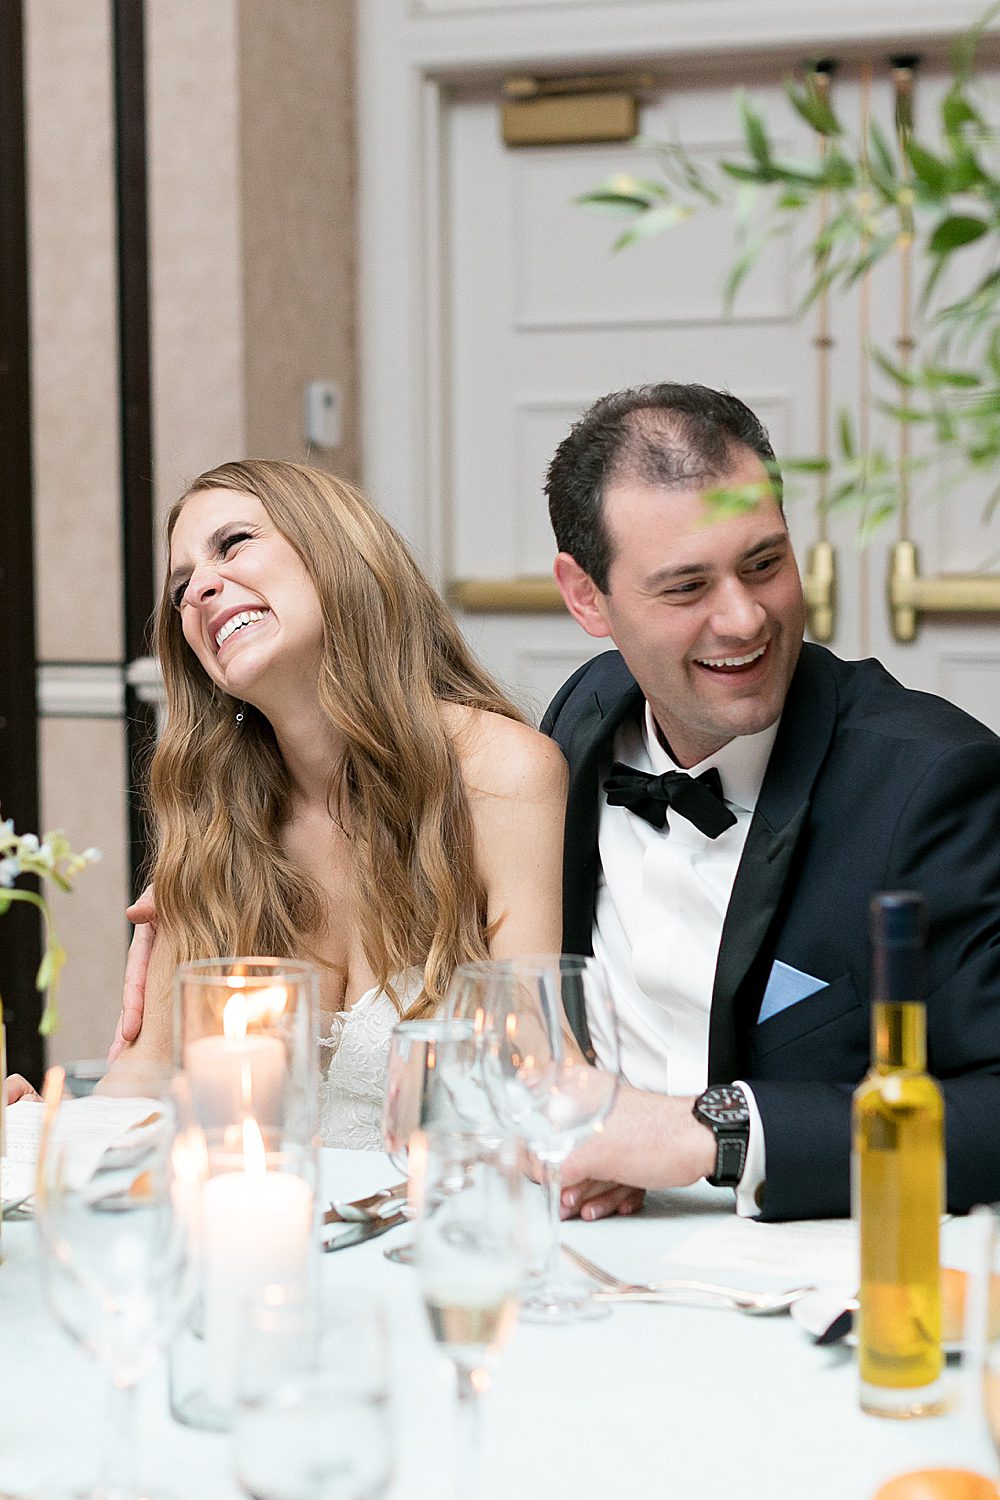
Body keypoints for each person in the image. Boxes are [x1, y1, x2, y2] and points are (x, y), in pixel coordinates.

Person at [543, 381, 1000, 1222]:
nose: (744, 619)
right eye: (685, 588)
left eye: (765, 564)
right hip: (599, 1246)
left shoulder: (935, 782)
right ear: (586, 597)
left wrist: (710, 1136)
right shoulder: (584, 718)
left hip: (812, 1272)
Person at [70, 458, 569, 1150]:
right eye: (181, 585)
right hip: (258, 1228)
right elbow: (148, 1073)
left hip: (442, 1229)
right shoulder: (213, 821)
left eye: (234, 543)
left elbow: (534, 1073)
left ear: (337, 551)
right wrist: (43, 1127)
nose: (199, 590)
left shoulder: (503, 774)